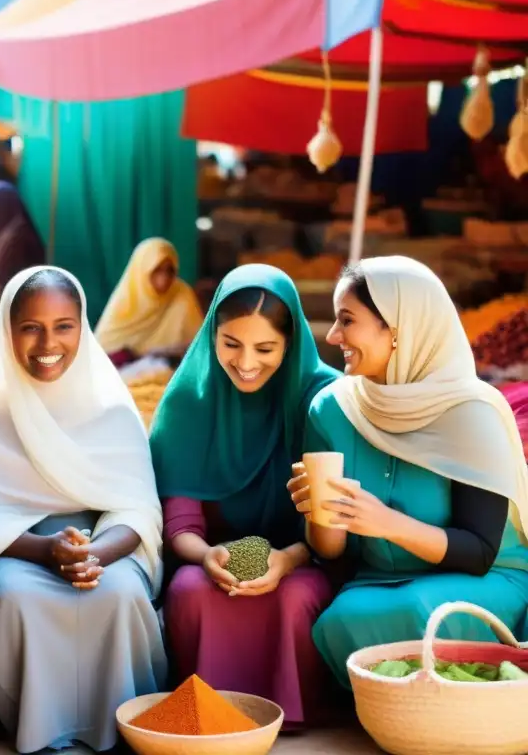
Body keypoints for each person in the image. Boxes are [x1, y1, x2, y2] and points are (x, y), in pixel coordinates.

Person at [0, 266, 166, 754]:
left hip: (103, 550)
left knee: (120, 597)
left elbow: (137, 508)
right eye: (31, 327)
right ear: (8, 331)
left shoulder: (113, 410)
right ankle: (35, 727)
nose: (48, 342)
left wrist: (96, 555)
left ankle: (120, 725)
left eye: (64, 326)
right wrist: (46, 551)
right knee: (19, 601)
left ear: (83, 327)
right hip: (16, 553)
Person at [290, 257, 528, 688]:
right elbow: (332, 552)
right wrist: (319, 510)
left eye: (348, 320)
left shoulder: (471, 411)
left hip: (483, 578)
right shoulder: (333, 409)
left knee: (420, 611)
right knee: (342, 618)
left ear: (397, 329)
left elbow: (478, 552)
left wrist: (383, 522)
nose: (332, 335)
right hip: (379, 581)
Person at [149, 264, 339, 729]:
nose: (246, 362)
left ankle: (292, 717)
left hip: (306, 558)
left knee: (297, 599)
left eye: (266, 348)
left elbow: (333, 527)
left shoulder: (323, 399)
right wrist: (208, 554)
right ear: (212, 335)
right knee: (190, 592)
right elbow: (181, 524)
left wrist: (288, 559)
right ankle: (206, 718)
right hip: (210, 561)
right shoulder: (188, 402)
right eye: (231, 344)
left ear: (291, 344)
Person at [95, 237, 205, 377]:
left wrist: (163, 352)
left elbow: (199, 346)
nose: (164, 279)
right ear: (142, 270)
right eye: (156, 270)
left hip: (174, 376)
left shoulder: (182, 294)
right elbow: (102, 354)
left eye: (169, 271)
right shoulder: (127, 298)